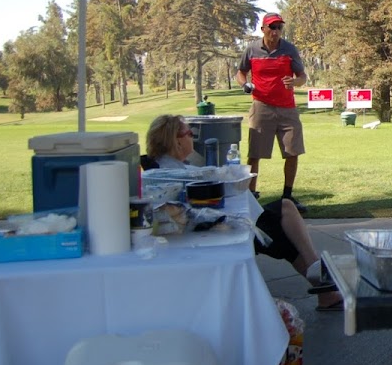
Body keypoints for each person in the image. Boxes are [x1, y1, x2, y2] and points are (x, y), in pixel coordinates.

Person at [145, 114, 342, 310]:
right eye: (189, 133)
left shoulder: (173, 166)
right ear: (176, 141)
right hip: (213, 232)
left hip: (218, 224)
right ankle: (321, 279)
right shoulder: (170, 172)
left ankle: (322, 281)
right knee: (279, 227)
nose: (193, 138)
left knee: (283, 212)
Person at [237, 12, 308, 213]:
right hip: (261, 106)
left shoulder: (289, 49)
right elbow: (241, 72)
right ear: (263, 29)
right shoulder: (252, 50)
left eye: (279, 27)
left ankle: (287, 196)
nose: (276, 31)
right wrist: (245, 84)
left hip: (287, 108)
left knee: (293, 152)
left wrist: (295, 82)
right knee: (255, 153)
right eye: (272, 27)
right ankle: (251, 195)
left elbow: (302, 76)